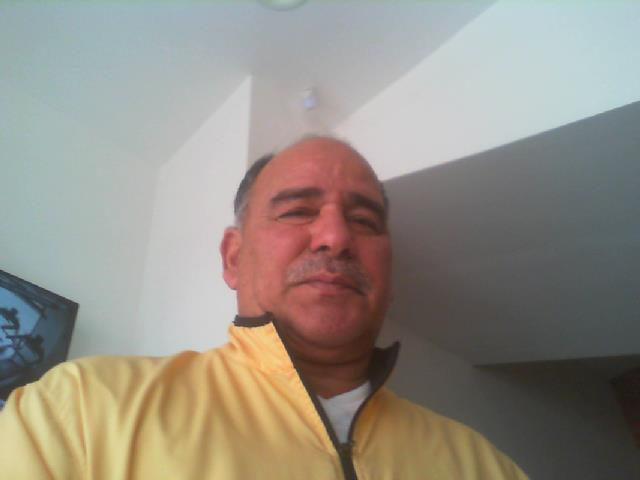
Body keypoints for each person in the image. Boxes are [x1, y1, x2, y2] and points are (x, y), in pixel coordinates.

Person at [0, 136, 528, 479]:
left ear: (388, 278)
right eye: (297, 211)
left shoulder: (484, 467)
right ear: (233, 257)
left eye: (365, 221)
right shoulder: (81, 413)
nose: (336, 236)